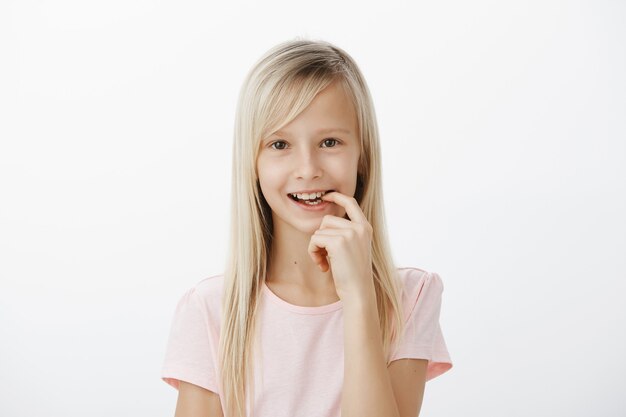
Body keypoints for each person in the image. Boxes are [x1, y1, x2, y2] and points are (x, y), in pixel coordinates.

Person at [160, 38, 453, 417]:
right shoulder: (212, 310)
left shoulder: (410, 298)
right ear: (253, 163)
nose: (308, 168)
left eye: (329, 142)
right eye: (280, 144)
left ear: (362, 155)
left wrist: (359, 295)